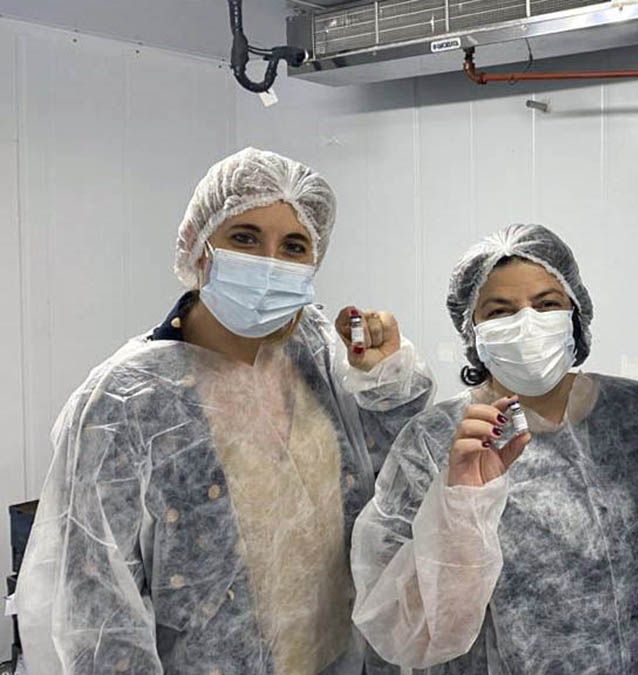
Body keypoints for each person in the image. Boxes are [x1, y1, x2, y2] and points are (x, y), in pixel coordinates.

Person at [15, 148, 435, 674]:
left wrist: (386, 383)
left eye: (293, 246)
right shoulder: (125, 401)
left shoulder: (316, 355)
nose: (269, 263)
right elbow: (95, 612)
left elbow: (395, 496)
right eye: (244, 238)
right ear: (197, 248)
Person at [352, 224, 638, 674]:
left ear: (575, 315)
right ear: (472, 332)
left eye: (546, 304)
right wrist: (461, 505)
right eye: (500, 312)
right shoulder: (434, 443)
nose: (526, 323)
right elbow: (399, 629)